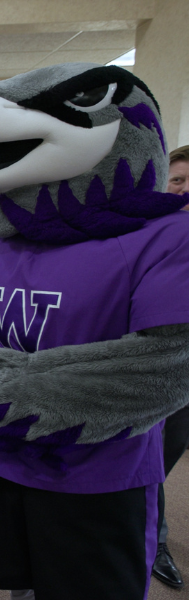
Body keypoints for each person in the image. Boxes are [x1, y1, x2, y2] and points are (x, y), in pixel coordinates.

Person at [153, 144, 189, 589]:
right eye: (177, 180)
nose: (184, 190)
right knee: (155, 458)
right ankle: (154, 540)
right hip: (164, 371)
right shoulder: (147, 234)